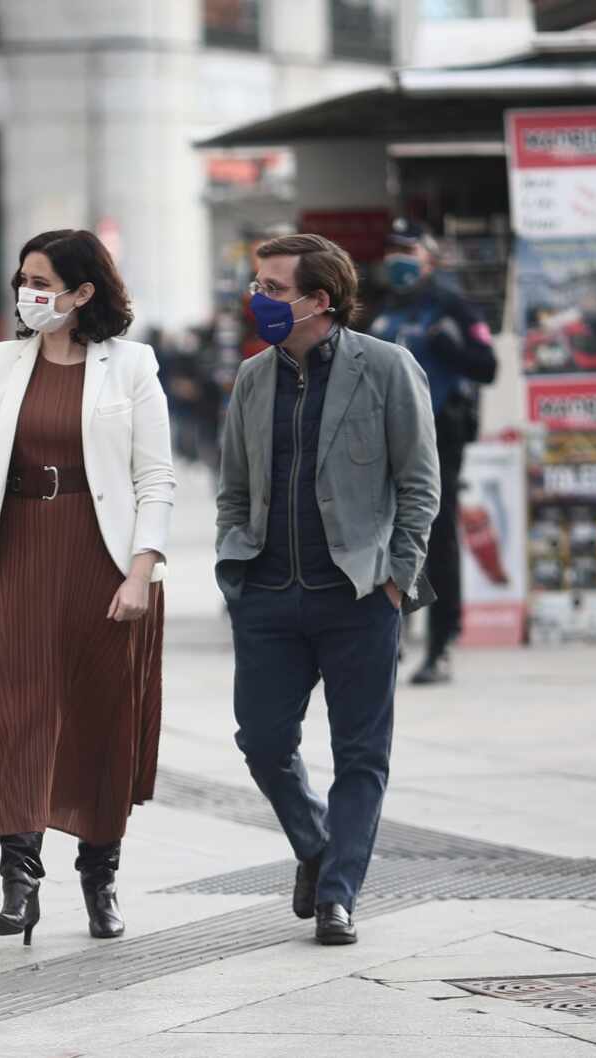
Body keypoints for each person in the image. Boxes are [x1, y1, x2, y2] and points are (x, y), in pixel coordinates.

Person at [0, 229, 175, 945]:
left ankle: (100, 875)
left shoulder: (133, 366)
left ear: (83, 293)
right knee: (11, 715)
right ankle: (19, 883)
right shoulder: (0, 361)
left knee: (98, 721)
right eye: (24, 278)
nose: (29, 293)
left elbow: (156, 479)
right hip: (20, 556)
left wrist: (142, 570)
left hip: (102, 558)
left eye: (44, 281)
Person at [216, 233, 439, 946]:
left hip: (358, 593)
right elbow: (233, 489)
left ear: (319, 299)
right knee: (262, 740)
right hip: (269, 594)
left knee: (361, 752)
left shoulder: (387, 368)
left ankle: (339, 893)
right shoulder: (253, 378)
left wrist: (397, 578)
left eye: (274, 289)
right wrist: (234, 570)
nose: (260, 299)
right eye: (258, 285)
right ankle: (317, 847)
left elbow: (419, 483)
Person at [368, 220, 497, 685]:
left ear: (429, 257)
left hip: (440, 437)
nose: (397, 258)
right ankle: (399, 628)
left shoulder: (452, 306)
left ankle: (441, 644)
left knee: (435, 538)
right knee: (391, 538)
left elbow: (488, 367)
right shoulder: (387, 311)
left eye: (408, 250)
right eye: (392, 249)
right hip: (387, 441)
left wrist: (451, 349)